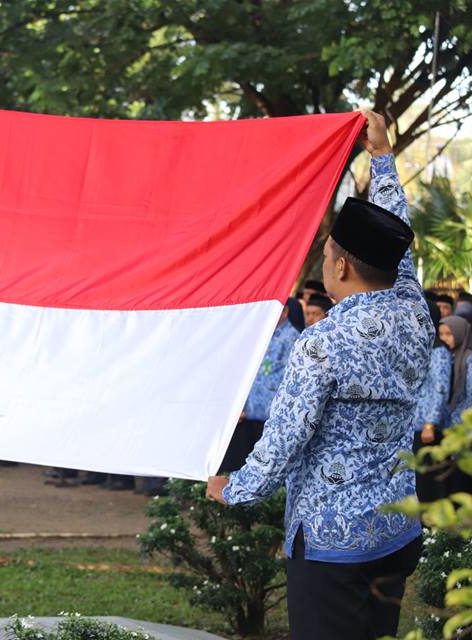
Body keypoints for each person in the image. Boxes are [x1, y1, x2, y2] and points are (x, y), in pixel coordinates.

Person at [207, 111, 430, 640]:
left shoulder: (323, 343)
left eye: (328, 255)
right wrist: (382, 158)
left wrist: (235, 488)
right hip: (395, 529)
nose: (325, 263)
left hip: (333, 543)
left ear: (343, 267)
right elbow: (394, 243)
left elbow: (285, 437)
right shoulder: (414, 309)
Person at [219, 304, 300, 473]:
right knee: (236, 469)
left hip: (266, 419)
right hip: (245, 415)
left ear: (285, 312)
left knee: (259, 470)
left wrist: (250, 410)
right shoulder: (261, 334)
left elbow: (284, 383)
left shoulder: (291, 339)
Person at [413, 297, 451, 502]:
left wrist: (430, 423)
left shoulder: (439, 350)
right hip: (415, 425)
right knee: (419, 478)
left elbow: (440, 387)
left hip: (429, 428)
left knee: (430, 479)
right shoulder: (421, 345)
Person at [439, 315, 472, 494]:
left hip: (464, 428)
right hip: (450, 428)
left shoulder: (468, 359)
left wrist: (457, 418)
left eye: (449, 334)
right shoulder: (449, 357)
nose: (444, 338)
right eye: (441, 334)